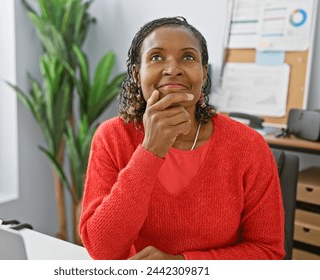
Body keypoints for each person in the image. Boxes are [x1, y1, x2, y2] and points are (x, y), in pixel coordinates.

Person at [79, 16, 284, 260]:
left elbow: (267, 251)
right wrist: (150, 151)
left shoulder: (248, 145)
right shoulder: (112, 137)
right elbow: (102, 250)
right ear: (136, 73)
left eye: (188, 57)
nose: (173, 69)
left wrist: (183, 265)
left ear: (204, 73)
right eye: (156, 57)